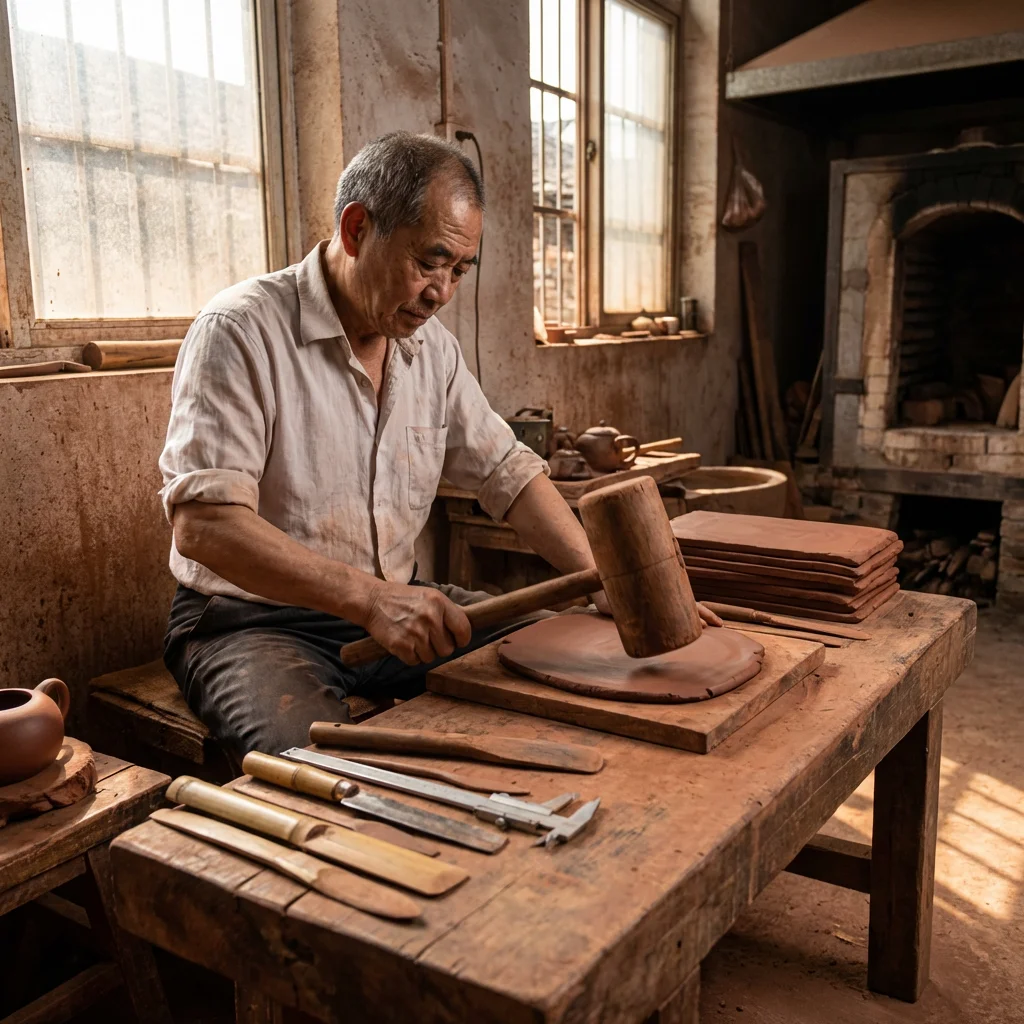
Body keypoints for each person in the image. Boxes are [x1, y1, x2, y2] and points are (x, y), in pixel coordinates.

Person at [159, 131, 716, 762]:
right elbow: (205, 528)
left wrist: (603, 580)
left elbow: (507, 472)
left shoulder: (430, 350)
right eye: (429, 263)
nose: (441, 292)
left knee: (578, 647)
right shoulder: (241, 329)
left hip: (398, 605)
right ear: (356, 229)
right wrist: (371, 600)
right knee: (317, 777)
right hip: (252, 625)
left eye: (459, 270)